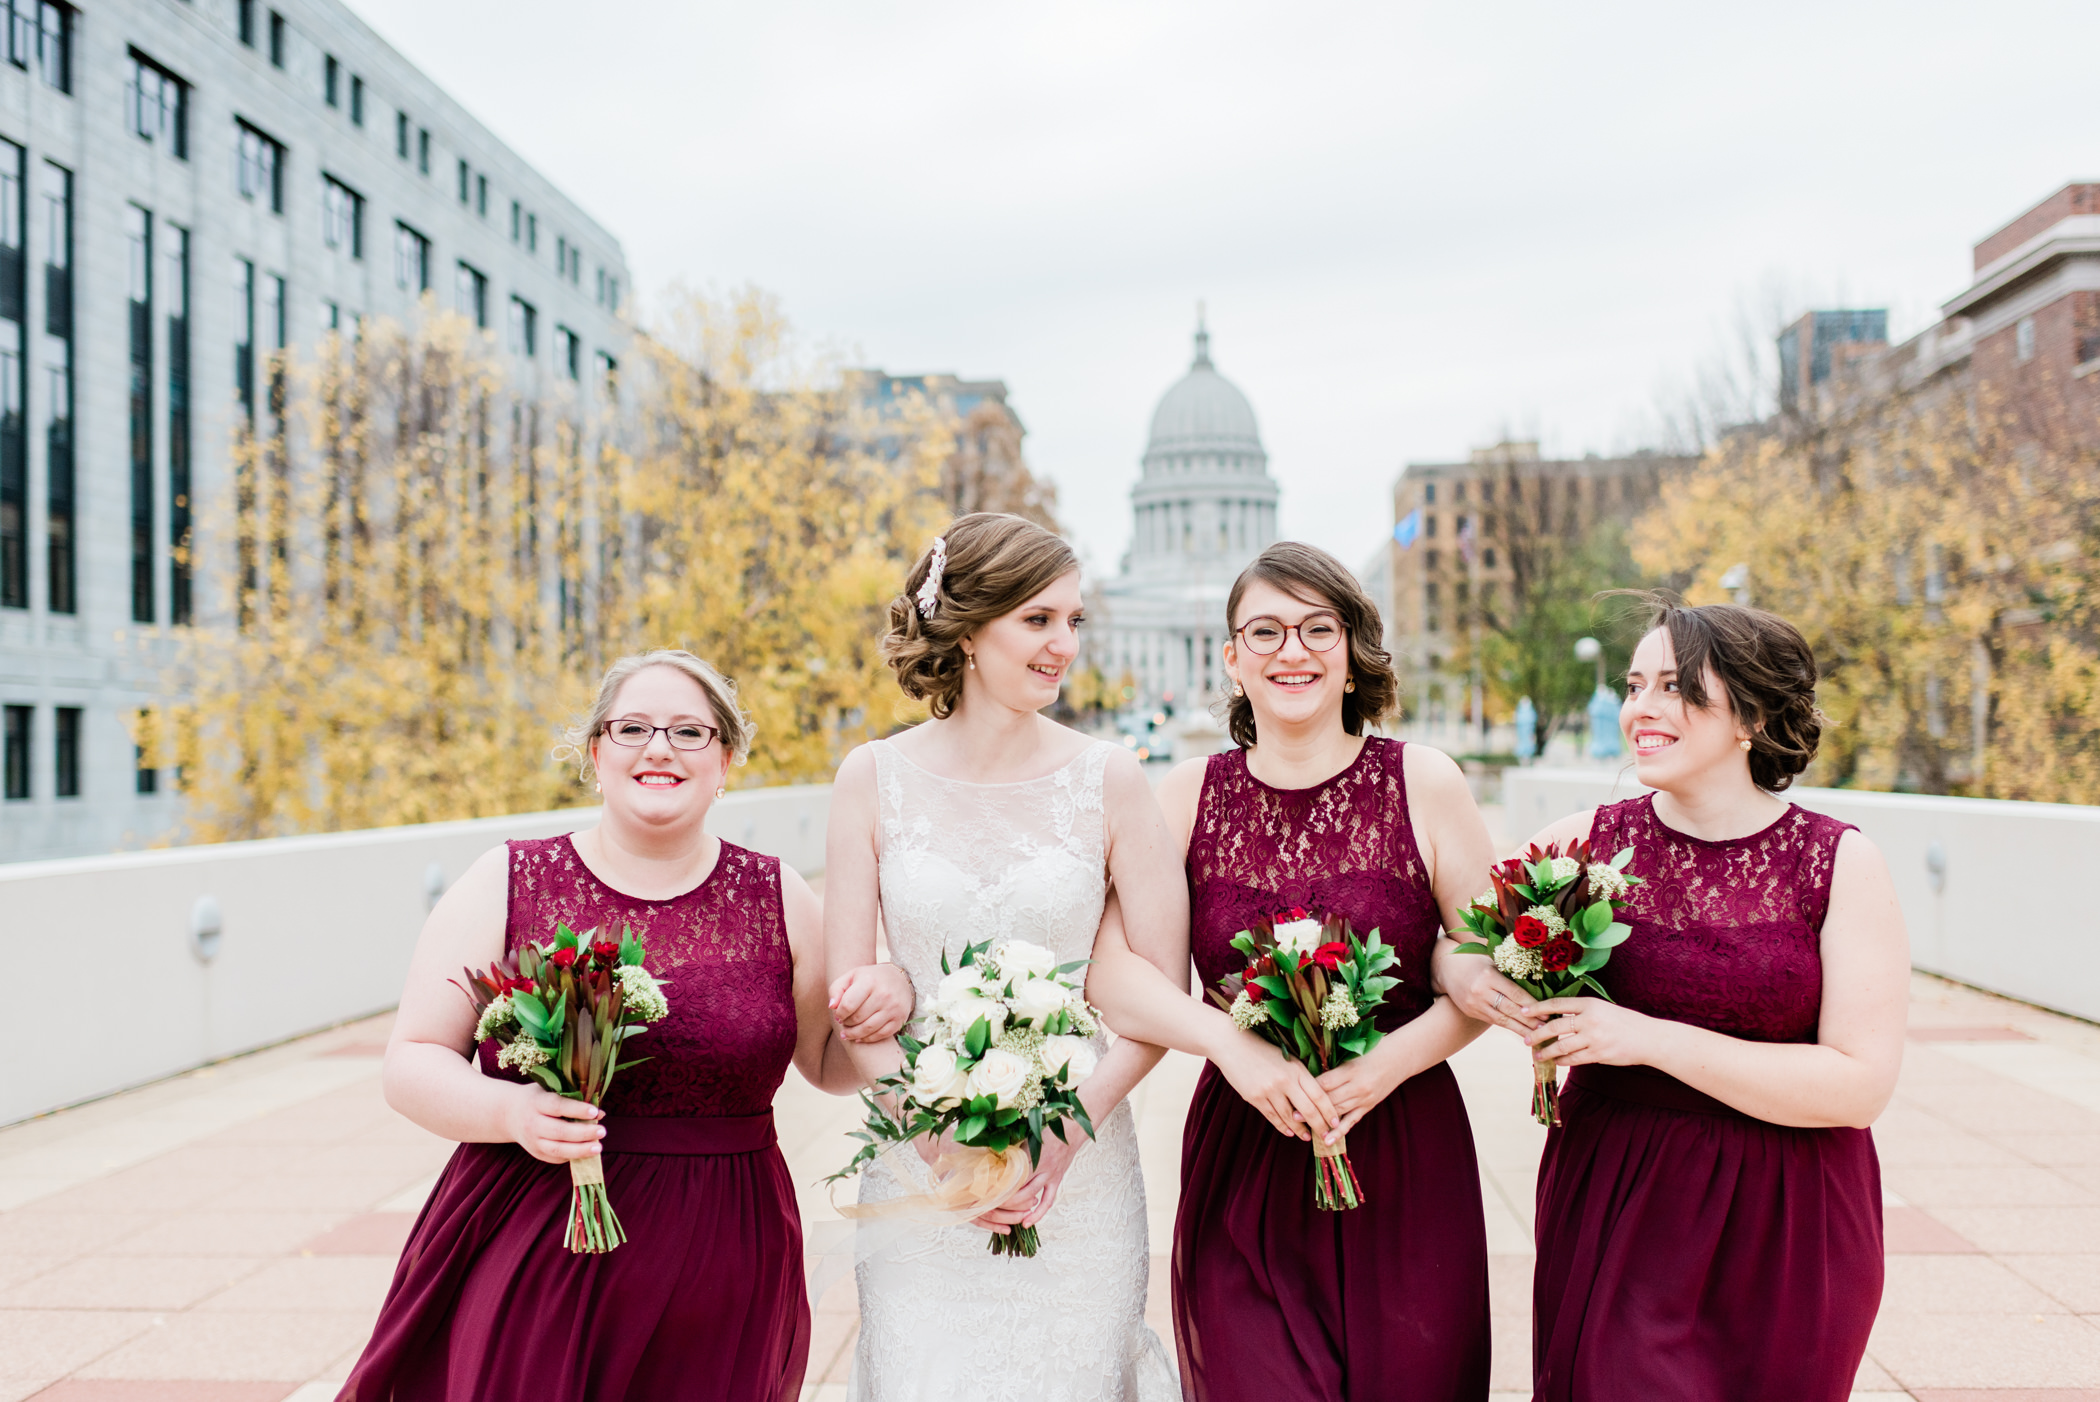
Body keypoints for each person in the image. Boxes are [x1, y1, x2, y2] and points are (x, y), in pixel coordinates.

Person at [340, 649, 912, 1402]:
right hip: (538, 1235)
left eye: (689, 732)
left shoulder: (780, 898)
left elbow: (830, 1065)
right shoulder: (506, 882)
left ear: (727, 759)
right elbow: (410, 1060)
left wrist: (888, 994)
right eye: (632, 727)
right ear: (595, 754)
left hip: (727, 1251)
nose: (659, 749)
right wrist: (511, 1109)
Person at [1435, 598, 1906, 1402]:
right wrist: (1480, 984)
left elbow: (1860, 1084)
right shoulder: (1585, 838)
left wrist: (1645, 1037)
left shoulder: (1838, 863)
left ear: (1751, 715)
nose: (1641, 709)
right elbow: (1455, 939)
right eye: (1634, 684)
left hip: (1791, 1215)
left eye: (1677, 687)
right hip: (1621, 1192)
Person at [1085, 541, 1496, 1402]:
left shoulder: (1426, 781)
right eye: (1264, 632)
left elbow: (1479, 965)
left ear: (1353, 655)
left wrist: (1383, 1065)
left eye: (1318, 628)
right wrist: (1232, 1050)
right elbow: (1116, 974)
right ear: (1232, 661)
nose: (1292, 651)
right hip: (1247, 1156)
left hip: (1405, 1147)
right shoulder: (1186, 793)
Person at [825, 512, 1187, 1401]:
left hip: (1081, 1177)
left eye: (1075, 620)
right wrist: (936, 1141)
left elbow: (1160, 997)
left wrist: (1066, 1132)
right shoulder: (869, 778)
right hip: (922, 1170)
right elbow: (852, 1007)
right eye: (1038, 620)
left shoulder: (1112, 779)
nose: (1064, 643)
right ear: (968, 627)